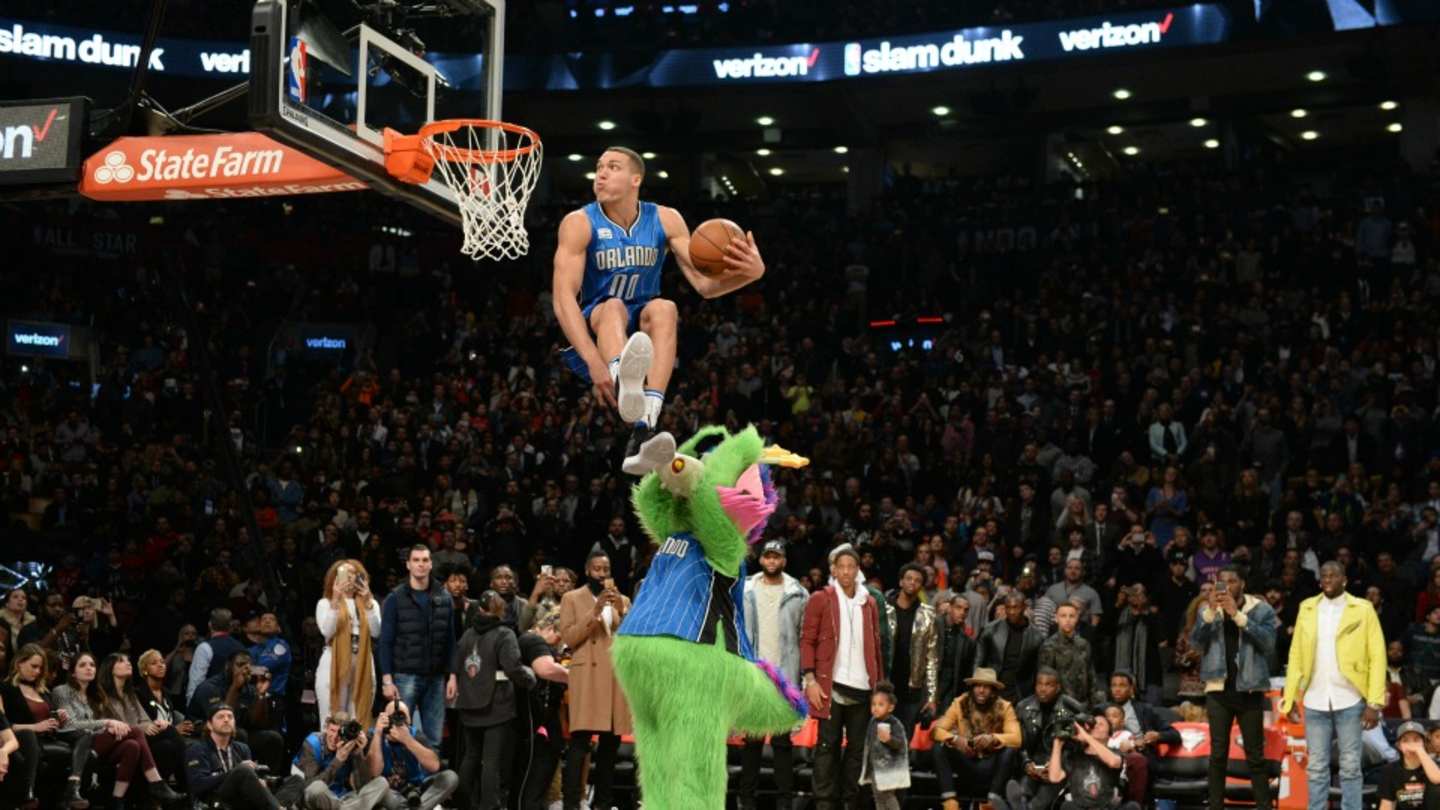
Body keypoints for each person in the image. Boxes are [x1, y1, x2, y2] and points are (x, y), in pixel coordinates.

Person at [552, 146, 766, 471]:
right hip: (598, 326)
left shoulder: (665, 219)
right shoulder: (579, 222)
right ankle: (622, 380)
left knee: (665, 307)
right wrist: (593, 363)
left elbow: (705, 286)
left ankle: (645, 424)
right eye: (599, 167)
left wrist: (751, 274)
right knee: (612, 307)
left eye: (613, 167)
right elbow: (563, 298)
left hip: (642, 327)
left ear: (636, 178)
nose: (602, 173)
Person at [1282, 560, 1388, 810]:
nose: (1327, 579)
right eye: (1324, 576)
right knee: (1317, 766)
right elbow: (1295, 654)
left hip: (1349, 698)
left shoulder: (1362, 609)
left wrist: (1374, 703)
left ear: (1345, 580)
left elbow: (1377, 654)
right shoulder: (1307, 607)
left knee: (1351, 766)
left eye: (1333, 575)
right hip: (1314, 699)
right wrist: (1289, 699)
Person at [801, 544, 884, 810]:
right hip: (829, 684)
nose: (846, 572)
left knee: (857, 750)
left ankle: (850, 802)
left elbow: (876, 647)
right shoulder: (821, 598)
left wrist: (879, 688)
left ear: (858, 570)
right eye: (841, 567)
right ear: (833, 570)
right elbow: (807, 641)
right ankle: (825, 802)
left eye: (851, 567)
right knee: (828, 746)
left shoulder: (869, 602)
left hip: (862, 687)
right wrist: (810, 680)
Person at [1189, 566, 1277, 810]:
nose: (1226, 585)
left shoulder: (1261, 609)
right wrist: (1209, 615)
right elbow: (1195, 643)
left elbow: (1269, 644)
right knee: (1217, 755)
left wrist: (1238, 616)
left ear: (1242, 585)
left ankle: (1263, 807)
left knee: (1255, 756)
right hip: (1218, 689)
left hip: (1249, 689)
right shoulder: (1207, 610)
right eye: (1222, 581)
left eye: (1232, 581)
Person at [448, 590, 537, 810]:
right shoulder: (504, 633)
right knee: (492, 761)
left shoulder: (467, 634)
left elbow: (457, 665)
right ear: (500, 609)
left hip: (468, 703)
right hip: (496, 704)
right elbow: (513, 667)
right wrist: (530, 679)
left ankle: (462, 804)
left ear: (480, 609)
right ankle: (490, 806)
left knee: (470, 757)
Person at [558, 551, 632, 810]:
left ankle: (603, 802)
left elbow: (631, 638)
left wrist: (621, 610)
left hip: (614, 677)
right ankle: (571, 803)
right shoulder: (571, 598)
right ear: (588, 571)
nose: (602, 574)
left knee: (610, 746)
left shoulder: (622, 599)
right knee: (579, 744)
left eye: (606, 569)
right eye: (597, 569)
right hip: (587, 675)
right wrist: (596, 609)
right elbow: (569, 638)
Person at [740, 539, 808, 810]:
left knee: (782, 743)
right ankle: (746, 801)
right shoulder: (746, 589)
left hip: (784, 676)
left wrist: (802, 677)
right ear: (761, 560)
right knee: (752, 742)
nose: (772, 561)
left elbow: (804, 637)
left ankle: (784, 803)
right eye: (768, 557)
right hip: (754, 674)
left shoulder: (798, 593)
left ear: (784, 561)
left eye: (776, 557)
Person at [379, 546, 456, 750]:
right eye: (416, 560)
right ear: (408, 564)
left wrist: (453, 675)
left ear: (431, 564)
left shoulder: (444, 597)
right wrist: (387, 679)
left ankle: (432, 781)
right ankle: (402, 781)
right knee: (398, 735)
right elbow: (385, 642)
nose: (420, 564)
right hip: (405, 676)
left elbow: (450, 640)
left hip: (436, 678)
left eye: (424, 560)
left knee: (434, 740)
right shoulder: (395, 598)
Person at [89, 653, 186, 806]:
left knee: (167, 739)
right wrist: (144, 727)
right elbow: (117, 726)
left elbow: (145, 720)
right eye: (121, 661)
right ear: (110, 668)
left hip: (139, 740)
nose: (128, 663)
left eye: (128, 660)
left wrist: (156, 724)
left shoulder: (130, 694)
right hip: (116, 741)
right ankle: (160, 786)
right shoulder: (102, 695)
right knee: (163, 736)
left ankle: (157, 793)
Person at [3, 644, 92, 809]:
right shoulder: (7, 689)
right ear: (19, 664)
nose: (37, 672)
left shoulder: (43, 690)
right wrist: (35, 727)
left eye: (40, 668)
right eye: (33, 666)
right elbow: (4, 725)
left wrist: (59, 717)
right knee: (29, 735)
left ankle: (72, 788)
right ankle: (27, 794)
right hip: (24, 737)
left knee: (85, 734)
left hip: (50, 736)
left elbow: (50, 718)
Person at [931, 667, 1021, 810]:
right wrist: (954, 739)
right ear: (972, 688)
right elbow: (937, 731)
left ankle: (991, 803)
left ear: (993, 690)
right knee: (938, 747)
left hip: (991, 765)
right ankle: (950, 803)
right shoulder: (960, 703)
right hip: (966, 761)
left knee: (1010, 750)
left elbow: (1017, 738)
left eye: (986, 687)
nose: (981, 690)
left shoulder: (1005, 707)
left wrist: (993, 738)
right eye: (978, 686)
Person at [187, 650, 287, 775]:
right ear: (228, 666)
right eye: (240, 665)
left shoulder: (249, 689)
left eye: (248, 666)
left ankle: (267, 781)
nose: (244, 670)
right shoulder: (209, 687)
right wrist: (235, 687)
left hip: (237, 732)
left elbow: (258, 723)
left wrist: (261, 695)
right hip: (205, 733)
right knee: (239, 734)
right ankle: (238, 778)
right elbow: (220, 720)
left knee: (273, 738)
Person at [511, 614, 570, 810]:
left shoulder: (525, 641)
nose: (559, 645)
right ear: (550, 628)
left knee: (535, 780)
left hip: (537, 721)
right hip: (535, 724)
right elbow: (546, 670)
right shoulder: (533, 639)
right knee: (534, 778)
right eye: (559, 638)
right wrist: (580, 677)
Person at [185, 704, 288, 810]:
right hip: (215, 799)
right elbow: (198, 785)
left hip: (242, 799)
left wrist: (259, 781)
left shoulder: (243, 748)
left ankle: (277, 806)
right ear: (210, 725)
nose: (226, 720)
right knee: (243, 770)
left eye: (230, 717)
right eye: (221, 717)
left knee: (295, 780)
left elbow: (249, 781)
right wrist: (234, 771)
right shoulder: (197, 749)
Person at [318, 560, 381, 731]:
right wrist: (335, 602)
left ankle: (358, 755)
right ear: (334, 578)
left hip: (364, 662)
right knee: (331, 719)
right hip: (333, 662)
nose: (349, 577)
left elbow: (376, 632)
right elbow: (327, 632)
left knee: (358, 721)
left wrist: (368, 602)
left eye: (354, 573)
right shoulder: (325, 603)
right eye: (345, 573)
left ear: (361, 577)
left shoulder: (371, 604)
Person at [366, 700, 460, 810]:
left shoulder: (415, 734)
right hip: (389, 792)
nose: (396, 721)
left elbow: (435, 766)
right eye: (392, 716)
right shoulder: (375, 735)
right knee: (379, 789)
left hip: (417, 790)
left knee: (450, 777)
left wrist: (408, 740)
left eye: (401, 716)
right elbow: (373, 773)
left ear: (409, 720)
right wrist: (378, 733)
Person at [1037, 713, 1138, 810]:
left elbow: (1113, 762)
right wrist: (1057, 744)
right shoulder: (1073, 755)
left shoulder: (1115, 753)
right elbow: (1055, 777)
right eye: (1093, 724)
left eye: (1101, 724)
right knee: (1066, 806)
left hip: (1108, 806)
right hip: (1080, 807)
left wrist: (1086, 736)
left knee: (1133, 807)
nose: (1096, 726)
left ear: (1109, 734)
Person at [1107, 670, 1179, 804]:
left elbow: (1175, 735)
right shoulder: (1102, 710)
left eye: (1122, 685)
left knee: (1137, 761)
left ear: (1131, 688)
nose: (1117, 689)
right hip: (1108, 753)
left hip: (1139, 753)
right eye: (1113, 685)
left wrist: (1157, 736)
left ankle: (1135, 806)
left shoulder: (1145, 710)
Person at [294, 710, 391, 810]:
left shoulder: (350, 744)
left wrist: (358, 754)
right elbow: (309, 786)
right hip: (318, 798)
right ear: (326, 729)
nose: (335, 737)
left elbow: (361, 786)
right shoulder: (313, 743)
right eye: (332, 730)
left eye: (339, 733)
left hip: (342, 798)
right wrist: (338, 761)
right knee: (317, 788)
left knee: (381, 782)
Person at [886, 563, 940, 735]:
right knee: (880, 735)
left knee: (903, 737)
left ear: (921, 586)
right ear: (901, 582)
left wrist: (931, 697)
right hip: (885, 683)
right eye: (908, 579)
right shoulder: (884, 610)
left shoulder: (928, 615)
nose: (912, 583)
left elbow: (932, 658)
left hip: (912, 687)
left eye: (917, 581)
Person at [1010, 668, 1075, 810]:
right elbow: (1019, 743)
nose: (1043, 689)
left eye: (1048, 685)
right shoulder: (1023, 707)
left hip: (1057, 765)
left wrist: (1054, 765)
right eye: (1039, 684)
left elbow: (1071, 748)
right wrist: (1027, 764)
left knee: (1039, 802)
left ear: (1058, 688)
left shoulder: (1069, 709)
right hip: (1031, 762)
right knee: (1023, 791)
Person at [976, 592, 1045, 703]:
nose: (1011, 612)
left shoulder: (1036, 637)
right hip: (993, 688)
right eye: (1008, 608)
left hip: (1021, 693)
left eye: (1015, 607)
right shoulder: (991, 630)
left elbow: (1038, 669)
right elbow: (978, 661)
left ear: (1024, 607)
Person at [860, 681, 910, 810]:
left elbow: (900, 743)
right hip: (875, 768)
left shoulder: (895, 723)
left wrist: (889, 740)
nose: (876, 708)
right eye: (873, 704)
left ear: (890, 707)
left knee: (887, 796)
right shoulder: (872, 721)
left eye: (880, 704)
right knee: (878, 797)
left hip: (889, 769)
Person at [1038, 602, 1096, 704]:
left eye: (1071, 616)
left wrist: (1094, 703)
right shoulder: (1049, 646)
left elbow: (1091, 675)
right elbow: (1045, 680)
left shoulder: (1084, 644)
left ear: (1077, 618)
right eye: (1063, 616)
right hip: (1059, 704)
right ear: (1056, 618)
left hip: (1083, 703)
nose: (1068, 620)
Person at [1379, 720, 1440, 810]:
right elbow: (1387, 804)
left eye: (1416, 740)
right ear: (1399, 746)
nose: (1411, 744)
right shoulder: (1390, 770)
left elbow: (1437, 779)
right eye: (1405, 740)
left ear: (1424, 743)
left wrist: (1420, 750)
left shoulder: (1434, 767)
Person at [187, 608, 244, 704]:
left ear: (210, 625)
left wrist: (191, 708)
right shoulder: (242, 648)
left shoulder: (204, 648)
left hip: (211, 707)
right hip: (236, 705)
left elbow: (196, 682)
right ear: (230, 626)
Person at [937, 596, 977, 712]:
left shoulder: (967, 642)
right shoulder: (933, 625)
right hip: (926, 687)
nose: (962, 613)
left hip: (950, 692)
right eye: (958, 608)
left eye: (966, 610)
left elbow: (966, 672)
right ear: (949, 608)